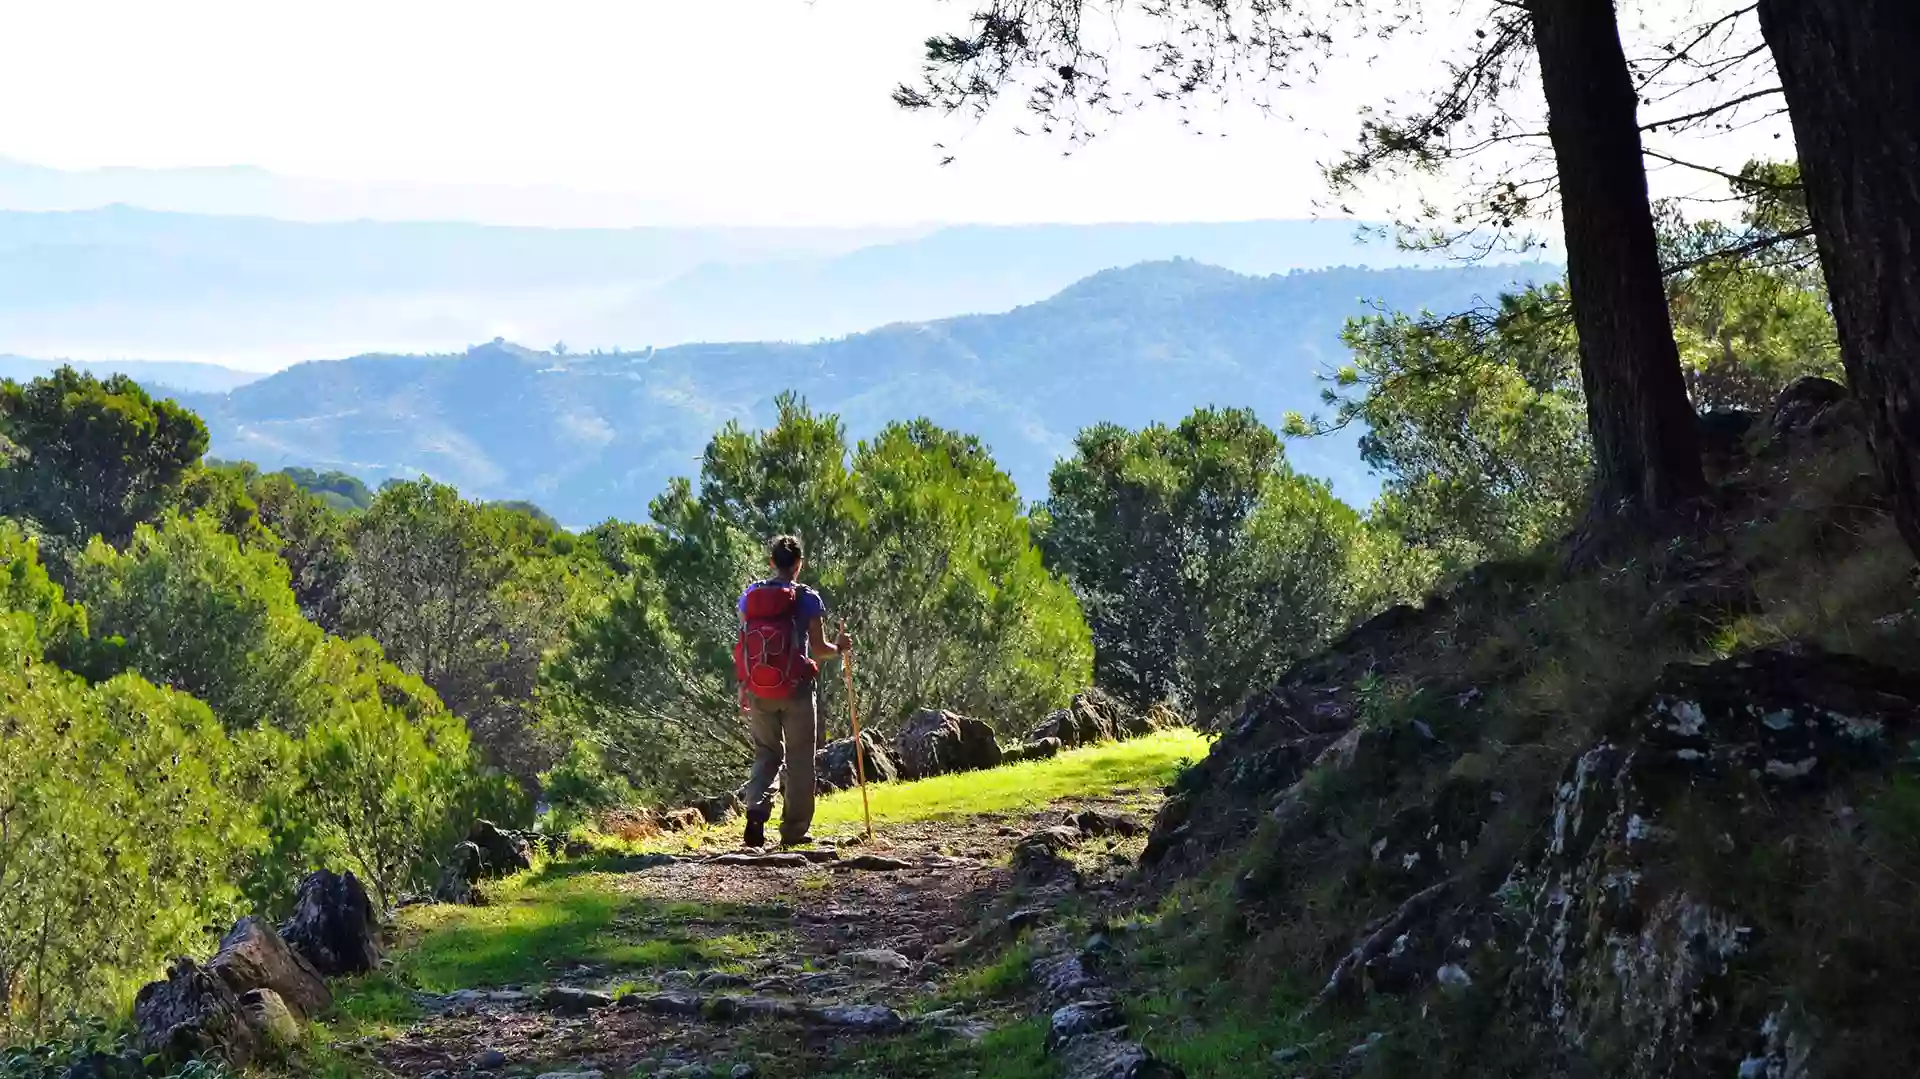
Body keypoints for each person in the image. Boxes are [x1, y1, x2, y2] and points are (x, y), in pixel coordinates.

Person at [734, 534, 851, 848]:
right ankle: (794, 832)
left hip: (759, 689)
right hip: (796, 691)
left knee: (766, 753)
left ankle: (756, 811)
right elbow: (819, 649)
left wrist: (744, 685)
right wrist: (839, 647)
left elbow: (746, 643)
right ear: (799, 565)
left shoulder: (750, 596)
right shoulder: (807, 597)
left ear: (772, 563)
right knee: (799, 760)